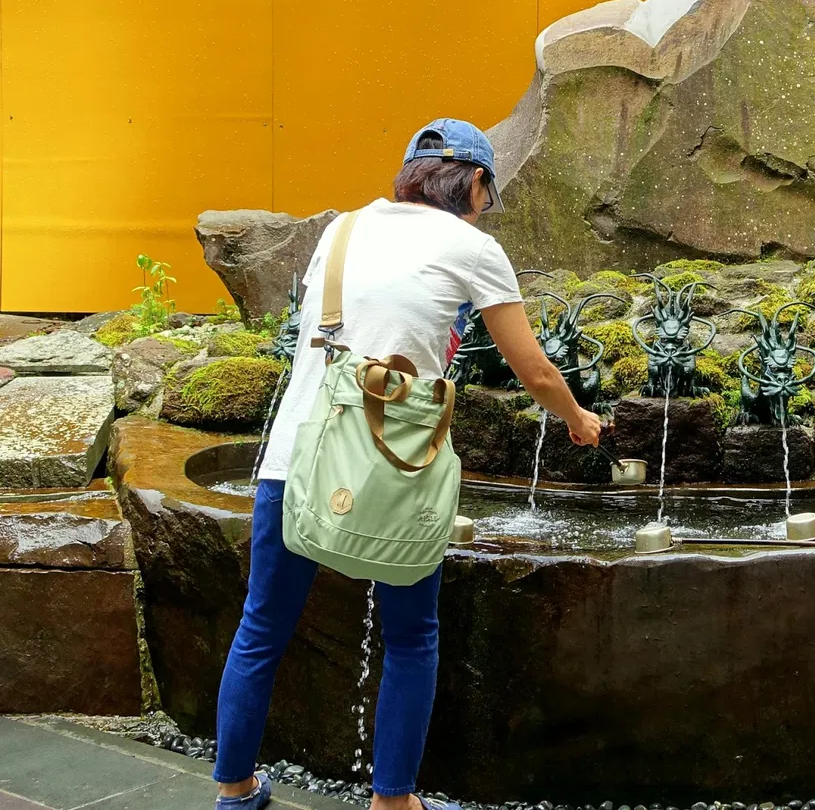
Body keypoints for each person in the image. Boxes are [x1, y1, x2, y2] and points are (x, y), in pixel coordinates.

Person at [214, 118, 603, 810]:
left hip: (295, 455)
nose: (488, 205)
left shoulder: (341, 230)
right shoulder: (472, 246)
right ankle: (393, 801)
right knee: (413, 636)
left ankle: (236, 788)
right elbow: (536, 371)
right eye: (490, 191)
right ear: (474, 181)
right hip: (394, 464)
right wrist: (578, 419)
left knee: (261, 626)